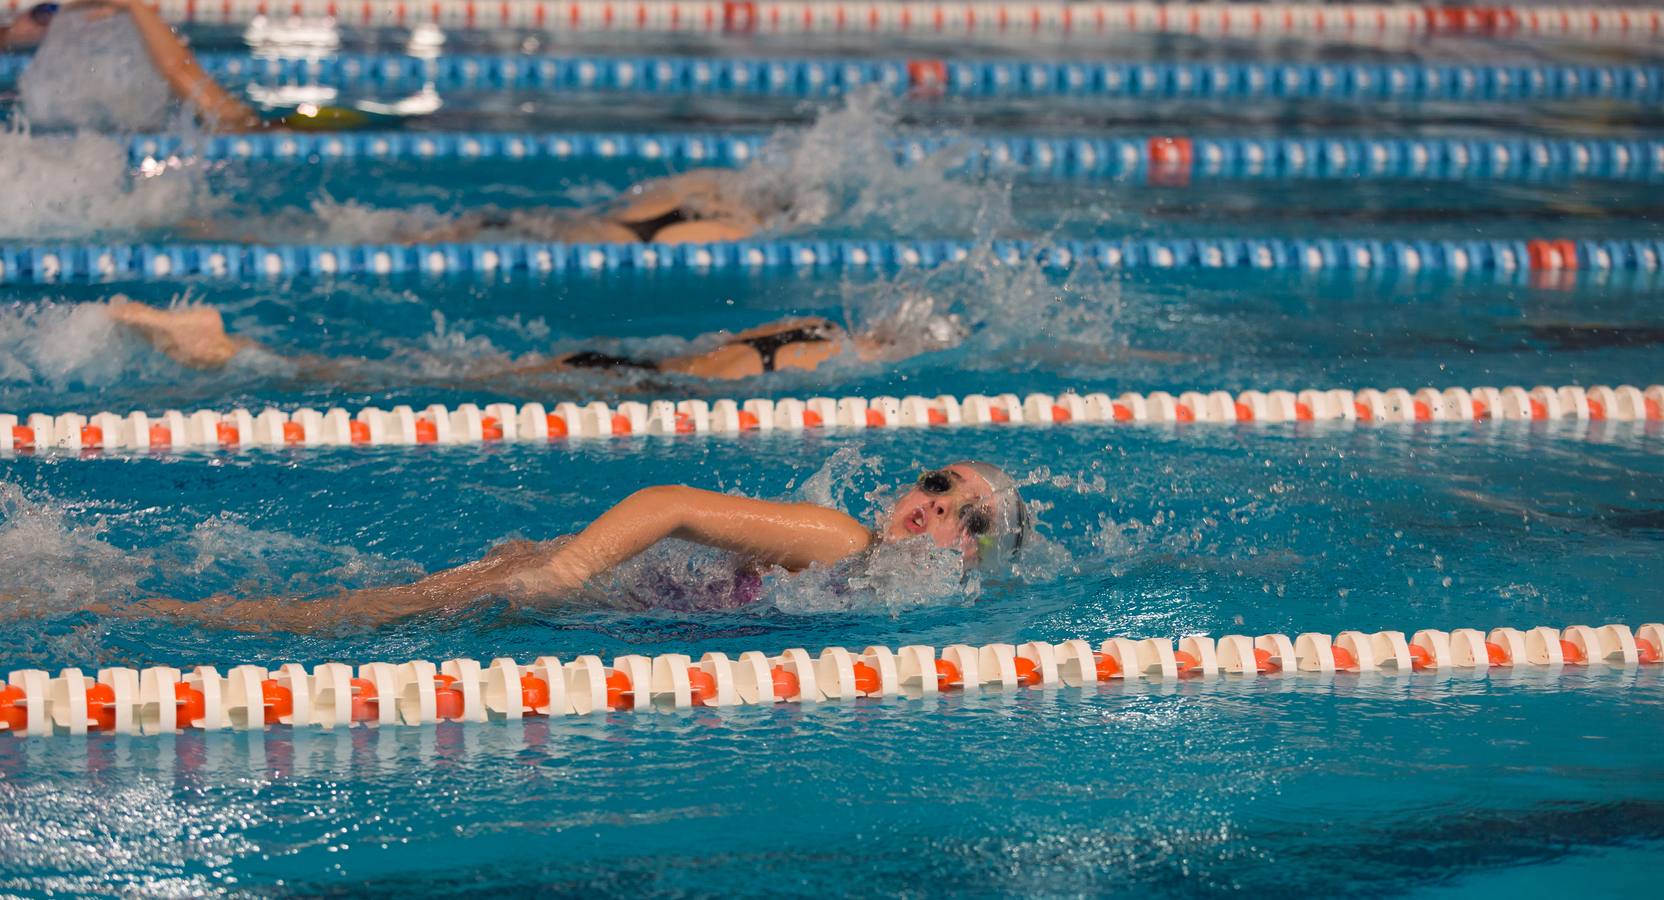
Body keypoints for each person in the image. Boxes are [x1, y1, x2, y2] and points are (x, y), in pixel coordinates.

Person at [121, 462, 1029, 630]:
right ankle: (120, 608)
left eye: (970, 520)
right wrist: (563, 574)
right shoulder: (839, 540)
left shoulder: (881, 598)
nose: (939, 507)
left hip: (602, 588)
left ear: (973, 563)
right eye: (939, 484)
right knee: (305, 627)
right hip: (577, 582)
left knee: (313, 620)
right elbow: (668, 502)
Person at [104, 296, 967, 380]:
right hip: (630, 386)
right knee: (428, 390)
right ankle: (227, 353)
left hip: (624, 364)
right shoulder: (832, 358)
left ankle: (233, 347)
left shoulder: (812, 324)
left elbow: (712, 343)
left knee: (442, 372)